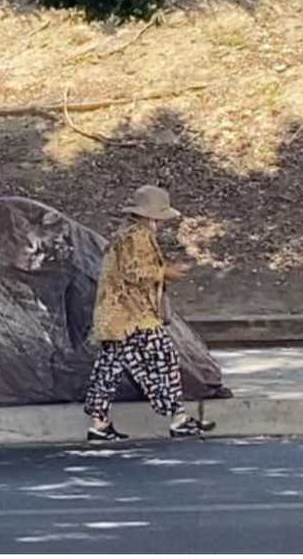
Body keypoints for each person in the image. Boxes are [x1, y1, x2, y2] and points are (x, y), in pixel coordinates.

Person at [84, 185, 216, 441]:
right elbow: (136, 273)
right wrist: (166, 272)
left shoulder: (127, 234)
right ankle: (178, 419)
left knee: (108, 368)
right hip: (134, 315)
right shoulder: (138, 236)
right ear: (151, 215)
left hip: (117, 317)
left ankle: (99, 424)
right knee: (164, 359)